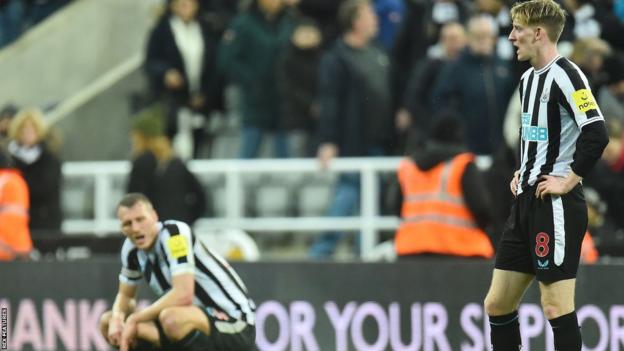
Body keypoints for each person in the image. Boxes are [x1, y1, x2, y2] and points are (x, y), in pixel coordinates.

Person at [483, 0, 609, 350]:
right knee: (497, 304)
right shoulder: (527, 80)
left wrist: (570, 178)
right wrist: (523, 170)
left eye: (518, 30)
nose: (511, 37)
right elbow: (535, 134)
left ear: (539, 33)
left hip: (554, 205)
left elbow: (596, 132)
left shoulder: (568, 75)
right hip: (526, 201)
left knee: (555, 306)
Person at [99, 193, 256, 351]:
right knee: (108, 322)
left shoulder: (175, 234)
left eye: (140, 219)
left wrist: (135, 319)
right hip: (192, 323)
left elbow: (184, 294)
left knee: (171, 318)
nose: (135, 228)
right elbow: (126, 295)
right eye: (127, 223)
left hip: (235, 322)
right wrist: (117, 319)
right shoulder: (131, 249)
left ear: (154, 216)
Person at [308, 0, 393, 258]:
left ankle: (362, 254)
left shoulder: (378, 53)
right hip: (351, 142)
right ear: (354, 21)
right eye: (369, 15)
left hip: (379, 142)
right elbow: (329, 101)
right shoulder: (336, 58)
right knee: (347, 196)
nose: (375, 20)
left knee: (368, 204)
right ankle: (320, 253)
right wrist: (329, 140)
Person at [394, 114, 495, 259]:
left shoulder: (409, 166)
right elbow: (481, 208)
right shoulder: (462, 165)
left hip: (411, 251)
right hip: (461, 251)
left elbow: (396, 207)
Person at [145, 0, 220, 159]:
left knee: (199, 149)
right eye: (181, 3)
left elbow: (214, 65)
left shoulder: (205, 29)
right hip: (171, 102)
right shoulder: (162, 30)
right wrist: (166, 73)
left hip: (200, 102)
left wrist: (204, 93)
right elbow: (150, 62)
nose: (186, 7)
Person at [126, 107, 207, 225]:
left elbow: (134, 200)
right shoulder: (175, 162)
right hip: (178, 230)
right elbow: (200, 196)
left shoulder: (142, 162)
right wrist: (187, 220)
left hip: (154, 231)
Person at [7, 108, 62, 236]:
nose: (27, 133)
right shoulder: (9, 159)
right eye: (23, 129)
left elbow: (46, 188)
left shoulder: (50, 158)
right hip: (17, 225)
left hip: (45, 224)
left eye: (32, 129)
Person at [0, 145, 31, 261]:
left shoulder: (5, 182)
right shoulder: (15, 180)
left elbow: (10, 222)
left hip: (7, 254)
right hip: (19, 250)